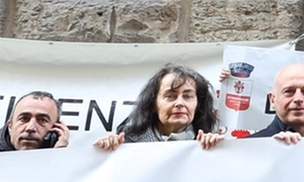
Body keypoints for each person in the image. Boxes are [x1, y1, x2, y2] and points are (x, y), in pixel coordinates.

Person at [94, 65, 223, 151]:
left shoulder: (205, 145)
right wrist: (106, 150)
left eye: (188, 96)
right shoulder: (127, 145)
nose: (179, 103)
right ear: (153, 104)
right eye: (170, 96)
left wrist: (216, 150)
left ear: (197, 104)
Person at [0, 91, 71, 153]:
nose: (30, 128)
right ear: (10, 127)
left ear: (57, 130)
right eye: (23, 119)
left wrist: (59, 155)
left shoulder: (75, 175)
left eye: (42, 120)